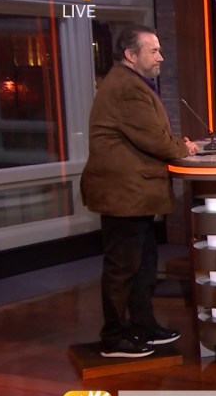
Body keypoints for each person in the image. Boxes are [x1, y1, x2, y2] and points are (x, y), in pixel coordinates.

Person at [80, 24, 199, 358]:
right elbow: (157, 141)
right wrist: (184, 147)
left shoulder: (131, 83)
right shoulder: (127, 89)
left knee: (143, 264)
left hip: (133, 195)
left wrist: (175, 144)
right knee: (123, 267)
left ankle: (143, 326)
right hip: (123, 195)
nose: (161, 57)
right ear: (131, 55)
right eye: (154, 51)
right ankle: (114, 337)